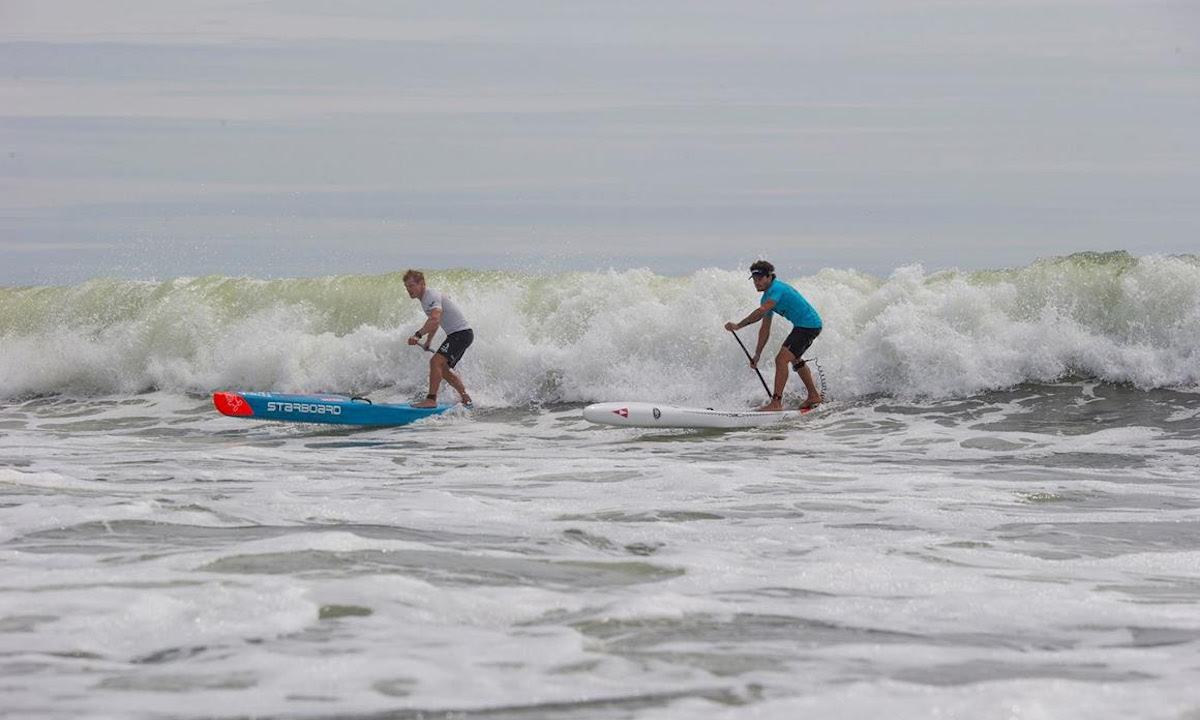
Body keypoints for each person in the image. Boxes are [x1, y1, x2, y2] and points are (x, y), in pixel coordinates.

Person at [724, 260, 823, 411]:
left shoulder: (776, 289)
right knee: (795, 359)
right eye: (755, 280)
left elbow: (760, 312)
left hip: (808, 325)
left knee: (781, 359)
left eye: (760, 279)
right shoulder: (766, 297)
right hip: (804, 326)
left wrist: (738, 325)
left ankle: (776, 403)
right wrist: (757, 354)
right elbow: (765, 328)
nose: (757, 283)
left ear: (769, 277)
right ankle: (813, 395)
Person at [403, 270, 473, 408]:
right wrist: (428, 341)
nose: (408, 290)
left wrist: (418, 335)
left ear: (422, 284)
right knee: (444, 369)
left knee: (435, 362)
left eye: (411, 286)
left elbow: (435, 319)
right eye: (406, 287)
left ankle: (431, 400)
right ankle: (466, 398)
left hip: (460, 333)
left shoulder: (430, 295)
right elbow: (435, 322)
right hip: (460, 334)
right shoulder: (425, 300)